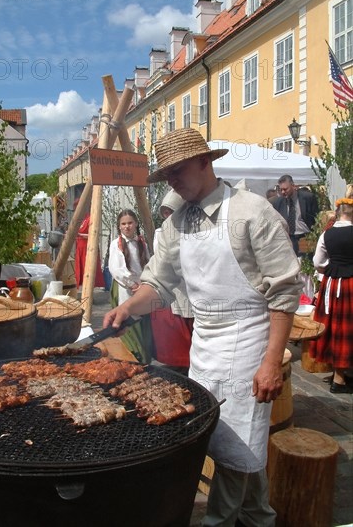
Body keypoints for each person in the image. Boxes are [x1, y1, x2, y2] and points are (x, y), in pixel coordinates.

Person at [104, 128, 302, 527]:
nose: (173, 180)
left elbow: (284, 292)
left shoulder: (251, 211)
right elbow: (158, 284)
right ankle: (260, 517)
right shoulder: (176, 225)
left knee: (237, 445)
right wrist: (128, 306)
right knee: (232, 445)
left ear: (205, 162)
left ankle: (218, 522)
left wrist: (269, 363)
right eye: (168, 174)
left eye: (178, 171)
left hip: (248, 342)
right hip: (205, 344)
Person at [309, 197, 353, 394]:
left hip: (333, 284)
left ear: (338, 212)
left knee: (335, 327)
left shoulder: (327, 234)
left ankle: (340, 374)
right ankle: (340, 378)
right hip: (350, 284)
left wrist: (333, 266)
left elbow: (318, 262)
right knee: (346, 329)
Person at [151, 188, 193, 374]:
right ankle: (180, 366)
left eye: (171, 211)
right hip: (174, 289)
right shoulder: (161, 233)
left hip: (191, 290)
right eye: (165, 212)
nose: (168, 215)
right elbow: (162, 266)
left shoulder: (191, 230)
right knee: (178, 331)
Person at [108, 209, 153, 363]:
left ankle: (144, 358)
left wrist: (146, 283)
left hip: (142, 287)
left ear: (136, 224)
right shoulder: (117, 244)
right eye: (123, 224)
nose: (127, 226)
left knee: (143, 321)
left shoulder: (142, 243)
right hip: (125, 288)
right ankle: (133, 358)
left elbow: (148, 264)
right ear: (119, 226)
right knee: (129, 321)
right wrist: (132, 284)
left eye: (130, 223)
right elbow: (116, 269)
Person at [273, 174, 319, 255]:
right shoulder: (278, 203)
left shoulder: (308, 198)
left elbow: (316, 217)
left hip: (306, 236)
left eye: (285, 189)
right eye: (281, 190)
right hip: (288, 238)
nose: (283, 192)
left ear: (293, 185)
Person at [74, 206, 105, 292]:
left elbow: (93, 234)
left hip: (88, 247)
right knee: (80, 267)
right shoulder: (80, 220)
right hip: (79, 247)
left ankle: (91, 286)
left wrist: (80, 235)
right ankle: (82, 285)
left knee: (88, 267)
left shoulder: (90, 218)